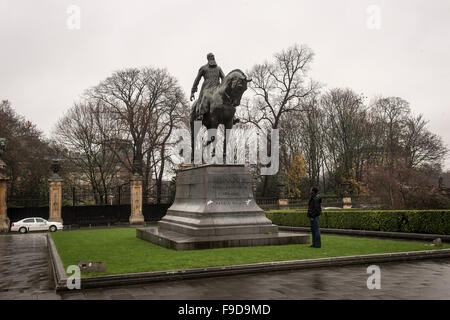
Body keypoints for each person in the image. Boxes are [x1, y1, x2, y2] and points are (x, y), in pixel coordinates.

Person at [190, 53, 225, 121]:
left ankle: (233, 117)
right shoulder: (203, 68)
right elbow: (197, 80)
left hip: (217, 88)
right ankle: (200, 114)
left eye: (213, 56)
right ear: (208, 58)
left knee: (226, 98)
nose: (213, 58)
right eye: (211, 56)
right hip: (207, 88)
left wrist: (225, 87)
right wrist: (192, 91)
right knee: (205, 95)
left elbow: (224, 78)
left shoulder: (218, 68)